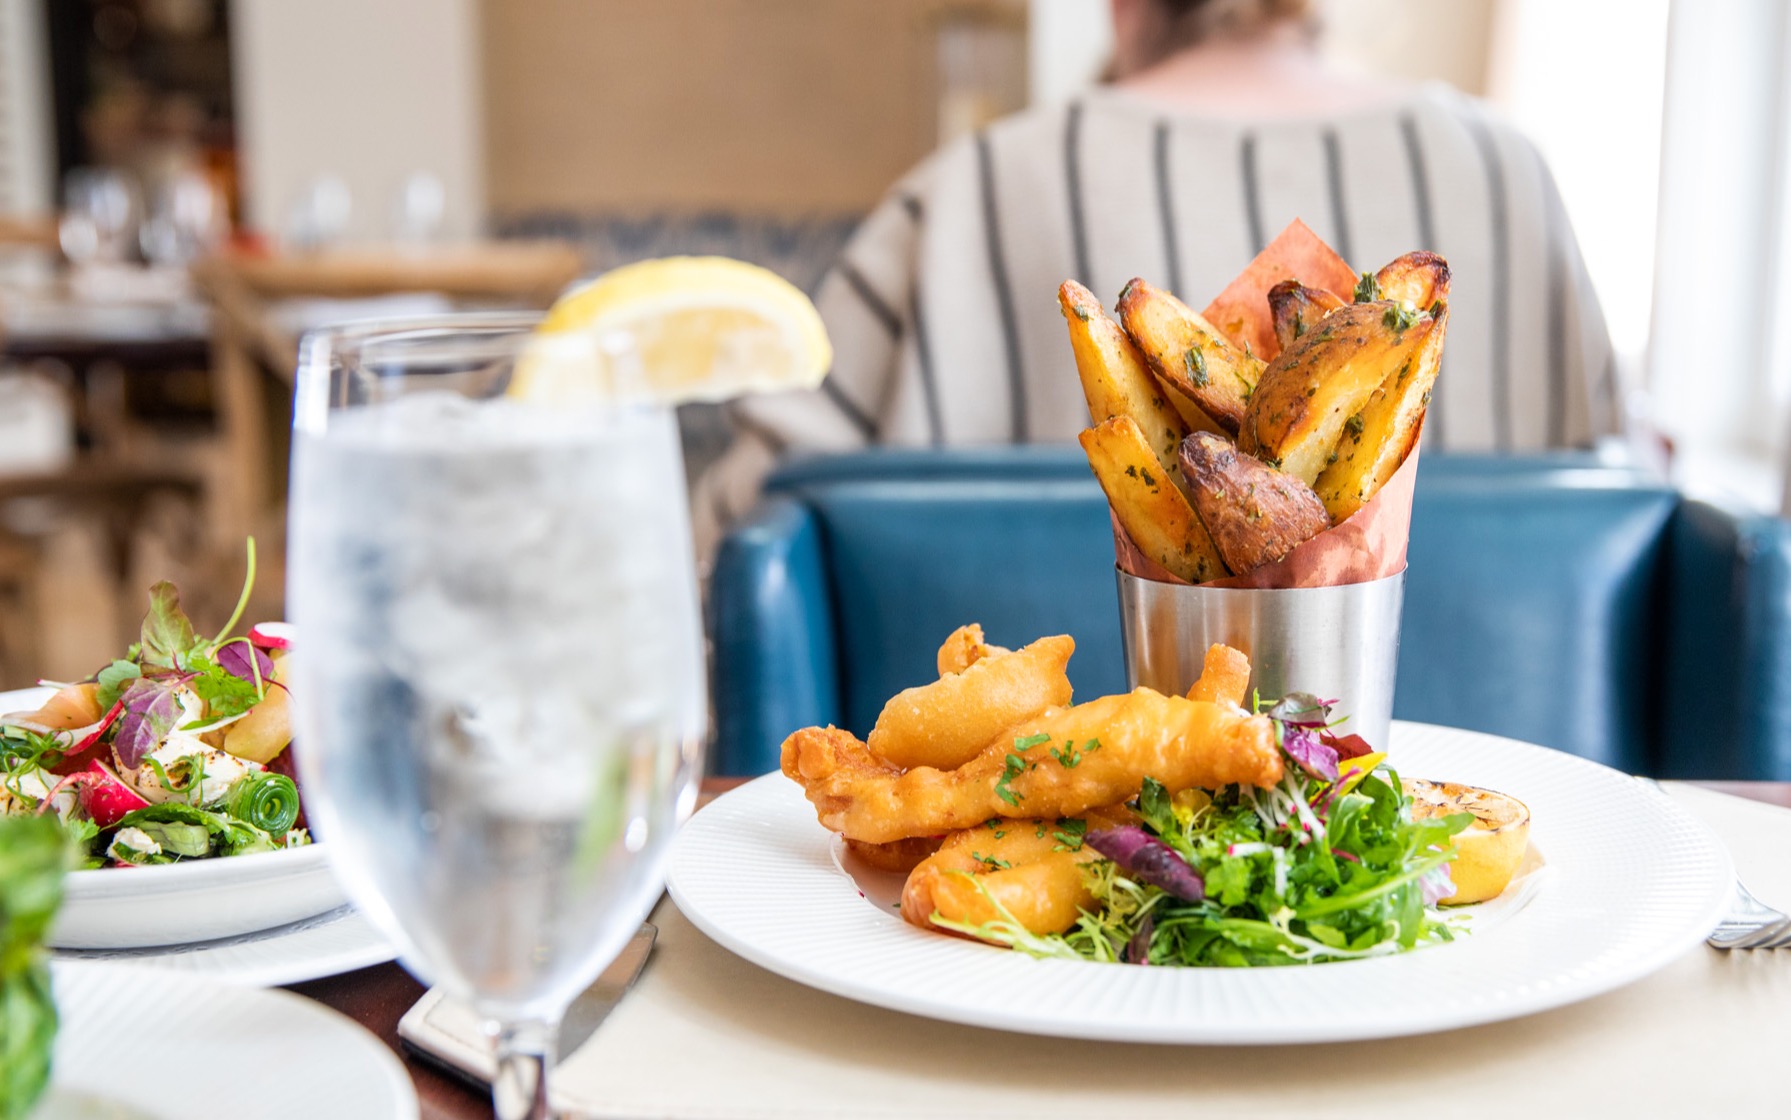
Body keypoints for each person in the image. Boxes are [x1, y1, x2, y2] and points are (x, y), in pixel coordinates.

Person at [696, 0, 1617, 549]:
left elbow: (748, 520)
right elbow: (1631, 482)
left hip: (1040, 807)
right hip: (1509, 801)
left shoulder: (965, 188)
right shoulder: (1510, 174)